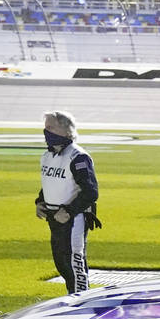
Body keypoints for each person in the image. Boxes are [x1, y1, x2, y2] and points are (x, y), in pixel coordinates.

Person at [36, 110, 100, 294]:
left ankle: (81, 304)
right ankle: (73, 300)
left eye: (50, 127)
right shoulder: (47, 156)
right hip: (54, 217)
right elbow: (51, 182)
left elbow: (90, 191)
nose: (46, 132)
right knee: (62, 263)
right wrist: (40, 202)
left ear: (66, 130)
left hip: (73, 219)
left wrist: (69, 211)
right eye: (45, 127)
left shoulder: (78, 157)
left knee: (75, 265)